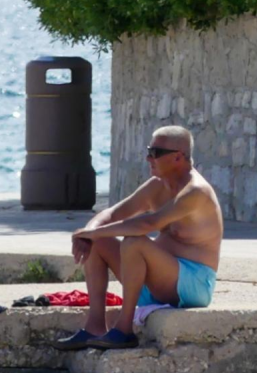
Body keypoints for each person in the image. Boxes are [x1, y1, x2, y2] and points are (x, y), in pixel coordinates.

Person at [54, 125, 223, 351]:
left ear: (178, 157)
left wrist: (93, 232)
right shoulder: (157, 186)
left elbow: (148, 224)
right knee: (99, 241)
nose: (148, 158)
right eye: (148, 151)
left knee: (135, 242)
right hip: (158, 281)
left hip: (193, 284)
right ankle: (94, 326)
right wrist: (89, 232)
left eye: (155, 153)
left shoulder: (196, 192)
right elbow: (113, 213)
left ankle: (124, 330)